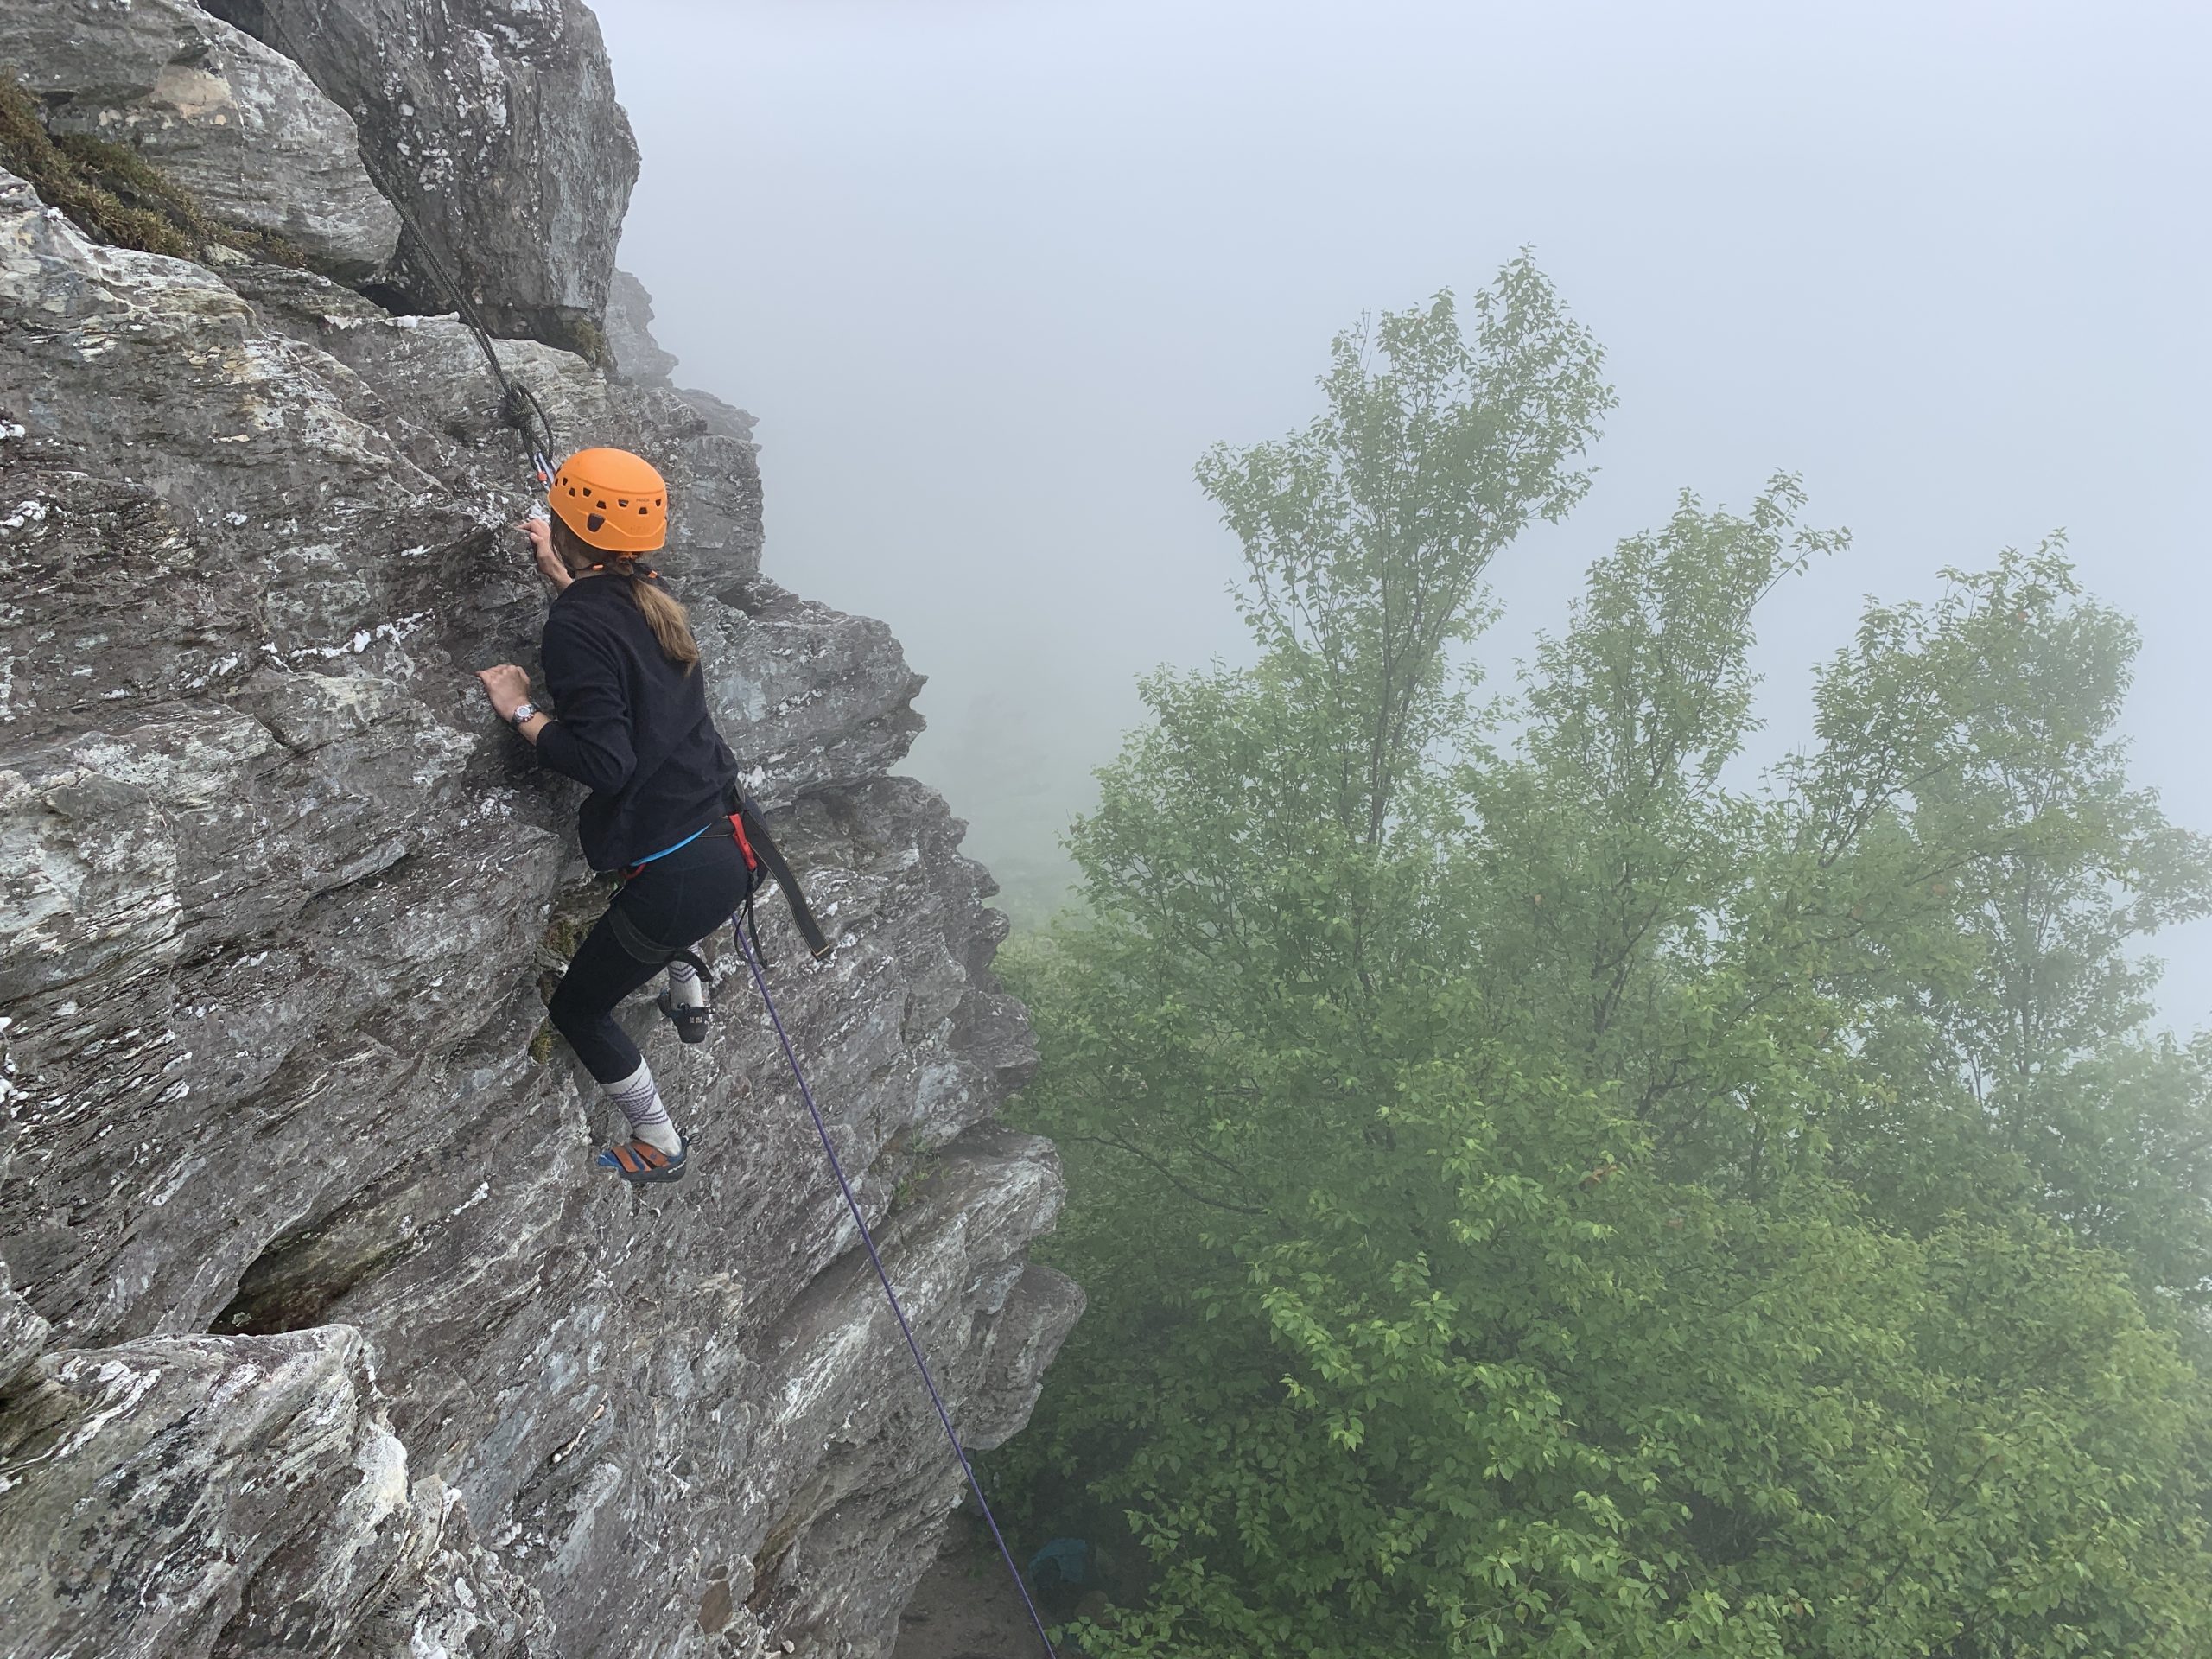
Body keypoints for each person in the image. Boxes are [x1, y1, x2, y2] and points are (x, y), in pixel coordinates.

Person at [474, 447, 754, 1185]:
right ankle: (688, 995)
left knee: (580, 1009)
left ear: (564, 523)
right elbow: (615, 637)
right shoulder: (652, 596)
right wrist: (561, 578)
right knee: (658, 925)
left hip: (683, 871)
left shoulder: (581, 622)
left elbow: (604, 764)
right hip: (723, 833)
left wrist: (520, 709)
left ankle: (659, 1140)